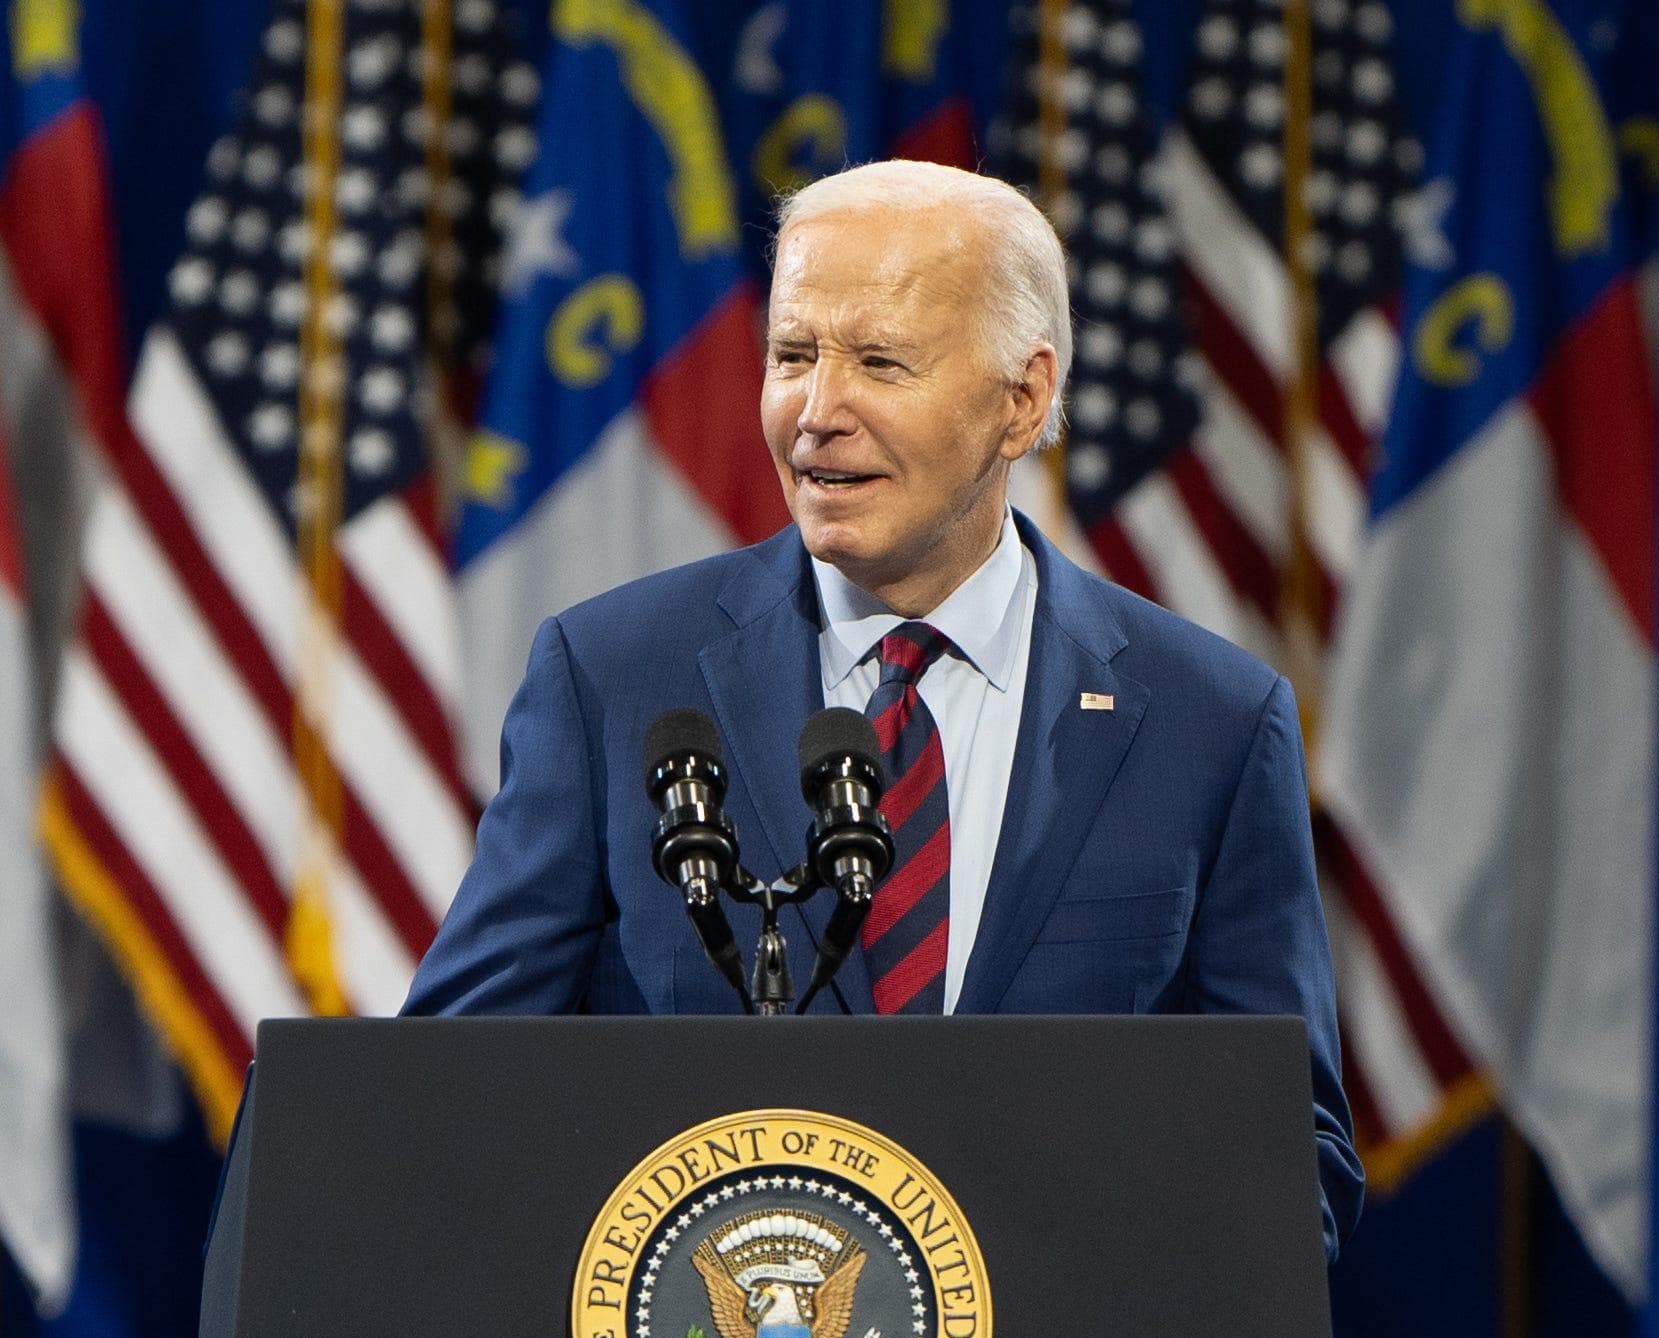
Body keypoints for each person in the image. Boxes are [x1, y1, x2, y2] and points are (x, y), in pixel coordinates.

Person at [402, 160, 1360, 1257]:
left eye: (879, 363)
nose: (817, 414)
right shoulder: (613, 678)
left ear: (1024, 397)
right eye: (792, 356)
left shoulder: (1213, 725)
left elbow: (1293, 1165)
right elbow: (450, 1095)